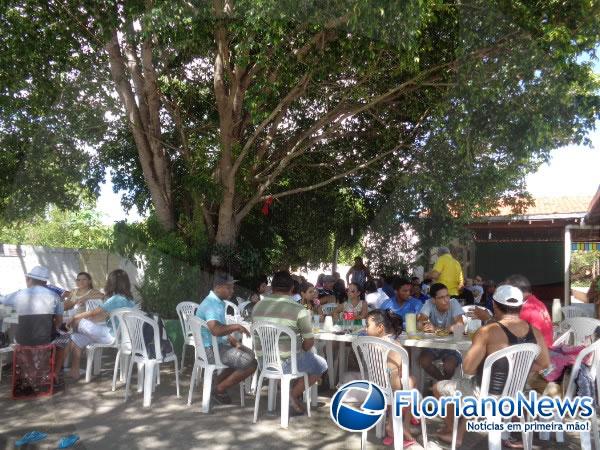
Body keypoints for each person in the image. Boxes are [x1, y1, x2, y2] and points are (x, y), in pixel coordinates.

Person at [432, 285, 550, 447]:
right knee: (471, 384)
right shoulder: (535, 332)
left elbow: (467, 369)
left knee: (439, 387)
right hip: (518, 393)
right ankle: (458, 432)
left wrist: (487, 365)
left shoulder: (486, 332)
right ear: (520, 306)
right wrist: (518, 369)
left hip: (485, 394)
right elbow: (544, 364)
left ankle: (452, 432)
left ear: (494, 305)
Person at [252, 271, 328, 415]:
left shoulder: (257, 307)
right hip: (287, 364)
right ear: (293, 288)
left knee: (300, 358)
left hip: (264, 363)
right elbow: (309, 342)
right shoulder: (299, 310)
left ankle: (287, 389)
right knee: (321, 364)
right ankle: (292, 395)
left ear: (272, 287)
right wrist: (302, 351)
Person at [195, 274, 257, 405]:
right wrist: (236, 326)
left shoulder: (216, 302)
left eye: (232, 288)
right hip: (211, 350)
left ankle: (215, 385)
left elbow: (219, 328)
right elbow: (215, 330)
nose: (232, 291)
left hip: (213, 346)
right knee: (251, 363)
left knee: (249, 354)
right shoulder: (212, 304)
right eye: (229, 288)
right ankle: (218, 389)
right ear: (217, 288)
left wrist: (233, 341)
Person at [0, 266, 69, 380]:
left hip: (21, 340)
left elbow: (3, 300)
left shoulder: (19, 294)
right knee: (65, 338)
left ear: (29, 279)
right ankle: (54, 373)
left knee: (25, 340)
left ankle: (32, 370)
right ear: (45, 282)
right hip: (44, 339)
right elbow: (59, 322)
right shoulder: (55, 296)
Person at [66, 269, 136, 380]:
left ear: (112, 283)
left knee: (77, 322)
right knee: (76, 338)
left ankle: (65, 334)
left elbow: (94, 312)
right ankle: (74, 371)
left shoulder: (115, 299)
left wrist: (75, 317)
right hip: (121, 336)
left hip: (112, 336)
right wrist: (89, 321)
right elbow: (104, 315)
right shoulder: (130, 300)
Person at [365, 309, 417, 447]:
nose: (365, 328)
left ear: (380, 328)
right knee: (411, 384)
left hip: (375, 389)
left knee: (409, 383)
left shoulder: (367, 343)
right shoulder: (394, 346)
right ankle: (399, 425)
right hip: (390, 392)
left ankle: (395, 423)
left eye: (367, 325)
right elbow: (394, 379)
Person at [417, 283, 464, 381]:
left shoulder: (453, 302)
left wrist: (436, 329)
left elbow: (460, 326)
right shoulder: (429, 303)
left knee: (449, 366)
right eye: (442, 297)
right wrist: (423, 325)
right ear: (433, 300)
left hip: (452, 346)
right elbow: (419, 324)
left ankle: (442, 386)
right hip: (434, 345)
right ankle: (443, 383)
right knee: (424, 361)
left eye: (447, 296)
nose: (446, 300)